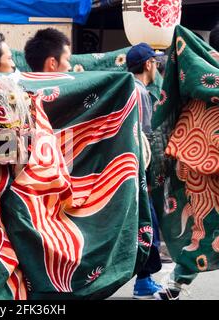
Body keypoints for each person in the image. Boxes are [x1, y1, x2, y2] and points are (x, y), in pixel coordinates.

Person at [126, 42, 164, 300]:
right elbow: (145, 136)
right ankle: (143, 281)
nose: (158, 66)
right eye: (156, 61)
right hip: (138, 168)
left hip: (127, 168)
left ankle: (144, 279)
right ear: (149, 64)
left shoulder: (127, 89)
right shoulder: (140, 92)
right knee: (147, 224)